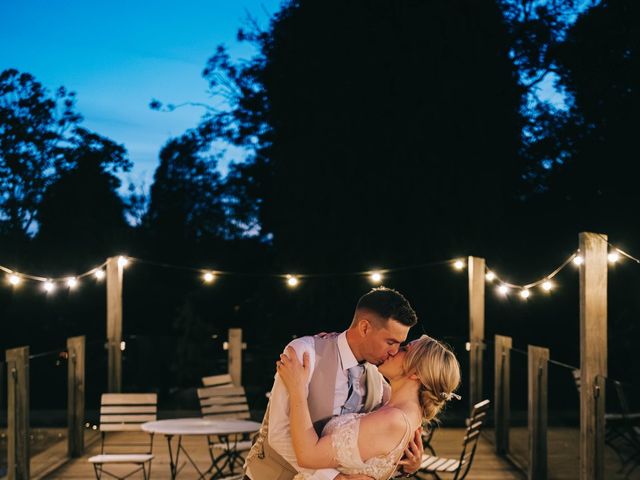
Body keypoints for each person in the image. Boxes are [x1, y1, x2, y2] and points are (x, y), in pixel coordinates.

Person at [244, 287, 423, 480]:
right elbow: (279, 434)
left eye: (399, 344)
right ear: (364, 328)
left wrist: (405, 465)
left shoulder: (379, 376)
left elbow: (378, 443)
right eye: (390, 342)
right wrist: (334, 478)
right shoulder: (305, 353)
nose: (395, 351)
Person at [278, 335, 461, 480]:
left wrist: (298, 390)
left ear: (416, 373)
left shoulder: (394, 419)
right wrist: (331, 342)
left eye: (404, 349)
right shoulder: (399, 405)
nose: (394, 350)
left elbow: (308, 455)